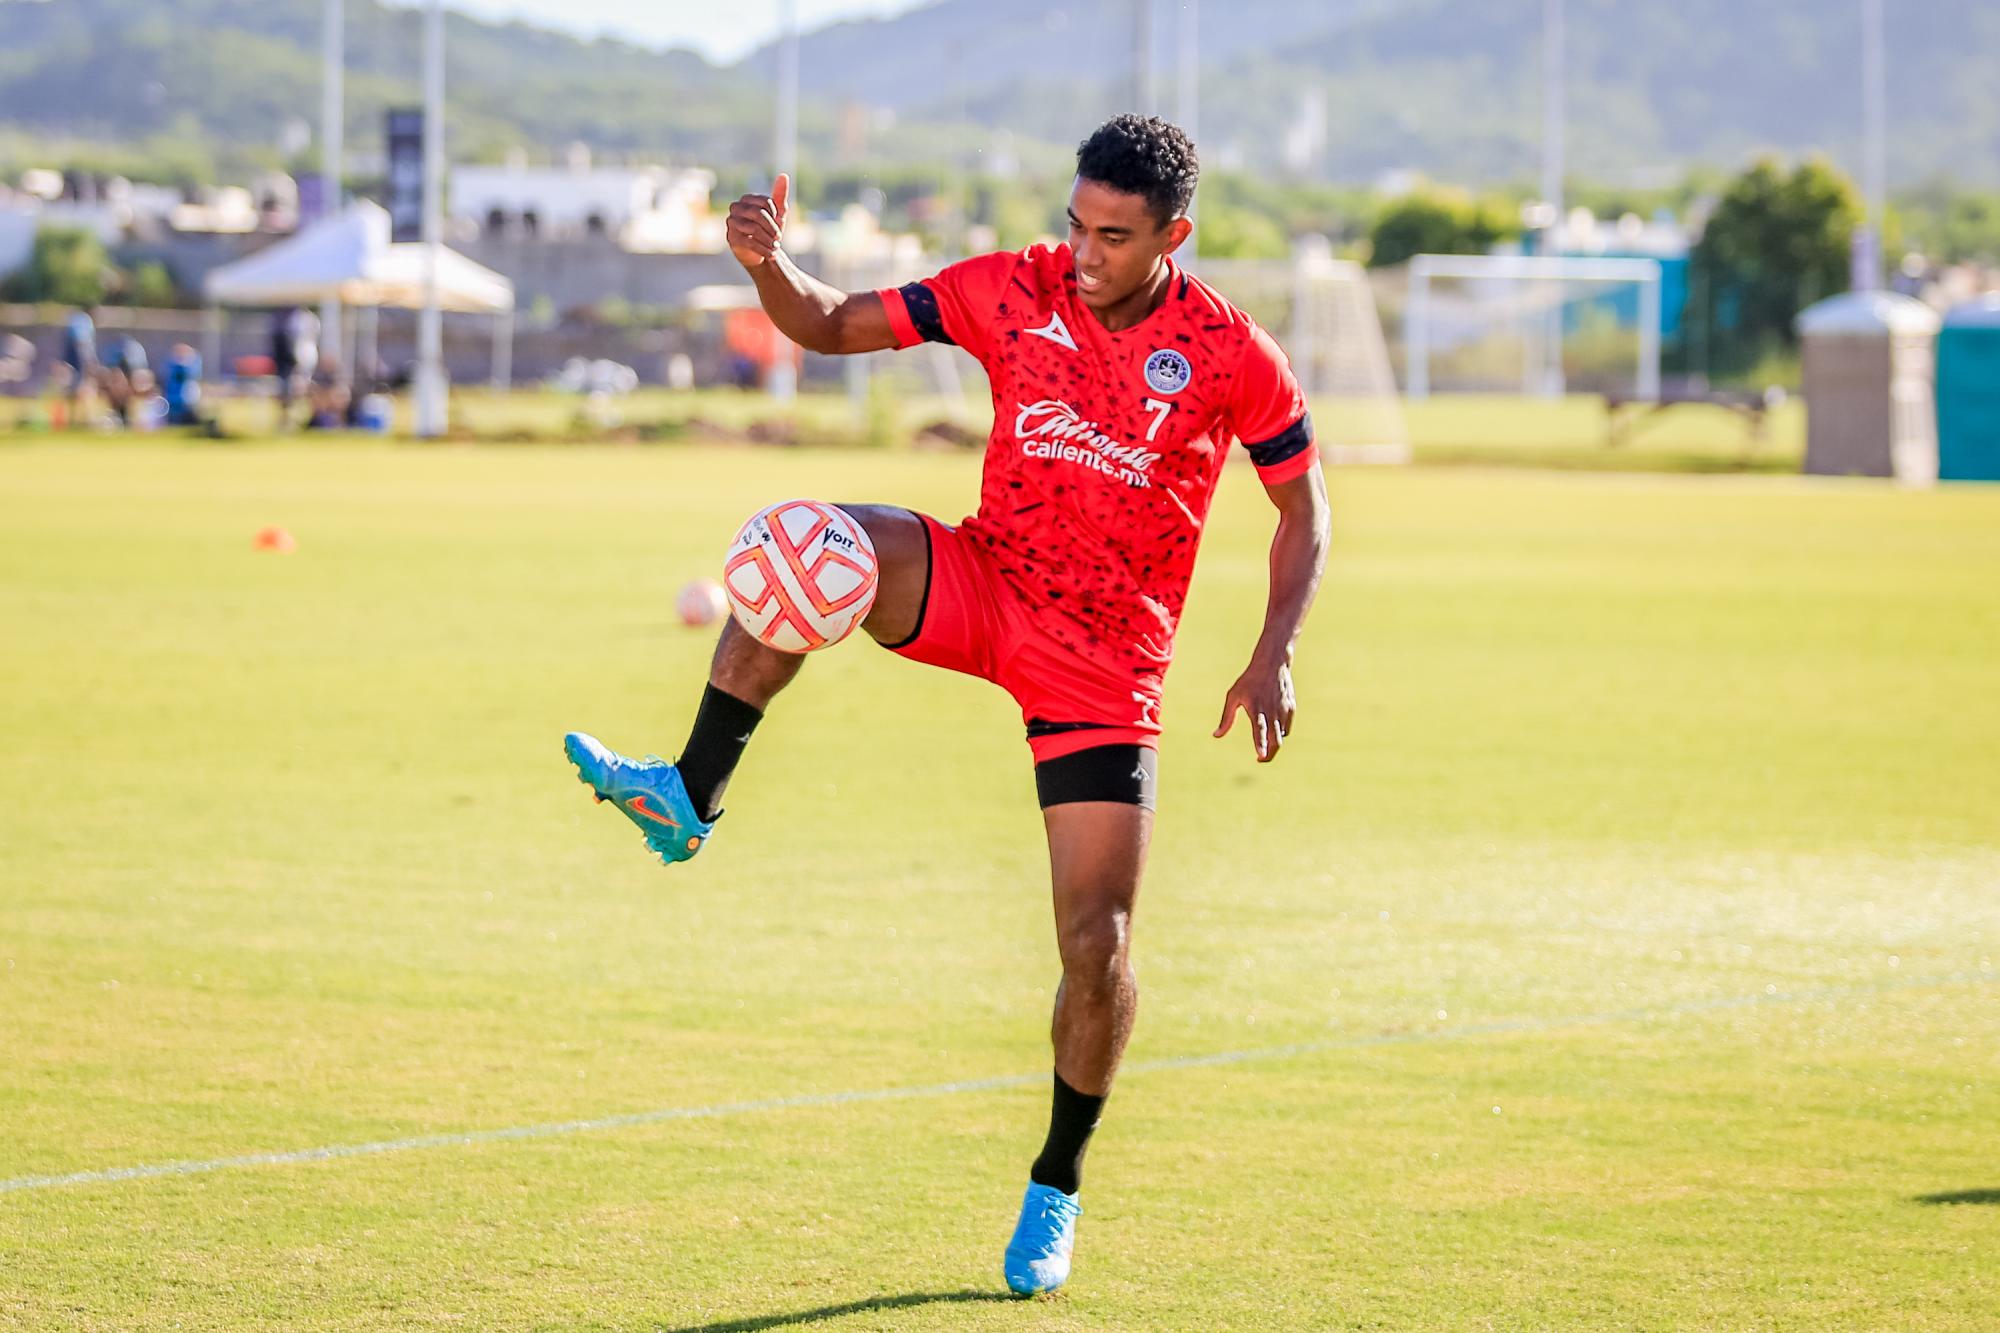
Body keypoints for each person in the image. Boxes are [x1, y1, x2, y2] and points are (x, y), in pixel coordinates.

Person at [563, 116, 1330, 1297]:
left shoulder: (1228, 352)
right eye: (1077, 224)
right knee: (808, 542)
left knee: (1096, 944)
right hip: (982, 580)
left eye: (1114, 238)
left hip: (1101, 661)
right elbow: (827, 326)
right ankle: (689, 792)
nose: (1083, 251)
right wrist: (766, 263)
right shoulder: (1009, 287)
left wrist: (1271, 649)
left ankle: (1056, 1184)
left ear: (1174, 235)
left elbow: (1301, 506)